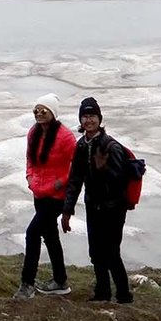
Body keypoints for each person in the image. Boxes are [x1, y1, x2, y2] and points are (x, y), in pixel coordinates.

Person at [61, 96, 133, 304]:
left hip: (113, 209)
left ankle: (123, 296)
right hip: (93, 206)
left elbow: (119, 182)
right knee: (95, 252)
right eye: (85, 116)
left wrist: (104, 170)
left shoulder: (112, 147)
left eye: (92, 116)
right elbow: (75, 180)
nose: (88, 120)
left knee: (111, 253)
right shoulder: (81, 145)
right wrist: (67, 211)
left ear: (100, 119)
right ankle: (102, 293)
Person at [13, 93, 76, 299]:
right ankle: (60, 280)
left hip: (56, 196)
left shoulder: (66, 137)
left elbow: (75, 167)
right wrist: (29, 177)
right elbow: (30, 160)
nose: (38, 114)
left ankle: (27, 284)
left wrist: (59, 183)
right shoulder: (34, 132)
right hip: (39, 192)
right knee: (49, 235)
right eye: (36, 111)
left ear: (53, 113)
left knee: (32, 233)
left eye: (43, 110)